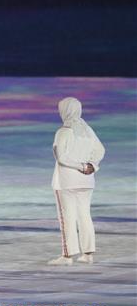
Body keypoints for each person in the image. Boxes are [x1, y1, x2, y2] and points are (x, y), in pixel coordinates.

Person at [48, 97, 106, 266]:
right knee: (84, 216)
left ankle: (67, 256)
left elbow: (61, 157)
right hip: (86, 181)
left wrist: (81, 166)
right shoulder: (87, 130)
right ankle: (88, 253)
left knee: (67, 217)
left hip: (67, 181)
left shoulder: (64, 131)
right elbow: (100, 150)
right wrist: (92, 165)